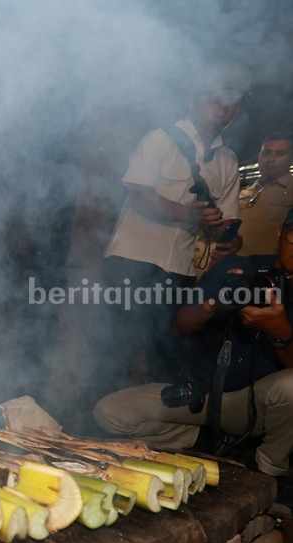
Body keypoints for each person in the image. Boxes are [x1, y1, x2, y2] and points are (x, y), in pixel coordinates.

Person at [94, 207, 293, 477]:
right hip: (205, 395)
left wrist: (280, 332)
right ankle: (200, 440)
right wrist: (207, 309)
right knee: (111, 413)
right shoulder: (242, 268)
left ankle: (269, 471)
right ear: (280, 234)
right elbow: (180, 327)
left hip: (263, 405)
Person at [99, 69, 246, 387]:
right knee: (119, 352)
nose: (223, 105)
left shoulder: (229, 161)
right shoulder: (159, 139)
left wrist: (228, 242)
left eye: (233, 101)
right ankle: (99, 424)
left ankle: (146, 430)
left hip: (180, 271)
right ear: (195, 99)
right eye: (216, 96)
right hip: (134, 262)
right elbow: (139, 195)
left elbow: (230, 224)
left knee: (160, 355)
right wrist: (187, 215)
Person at [239, 132, 293, 256]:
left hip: (268, 269)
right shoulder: (247, 190)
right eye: (266, 152)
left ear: (291, 159)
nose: (271, 159)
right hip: (233, 264)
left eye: (280, 154)